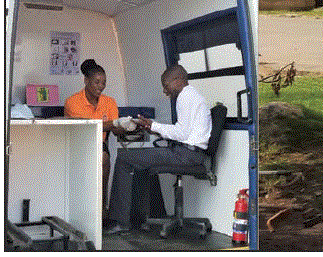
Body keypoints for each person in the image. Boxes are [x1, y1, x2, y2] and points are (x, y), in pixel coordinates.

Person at [104, 65, 212, 234]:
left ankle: (120, 222)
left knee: (125, 158)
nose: (164, 91)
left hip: (186, 154)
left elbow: (182, 133)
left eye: (166, 85)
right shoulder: (192, 95)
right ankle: (145, 217)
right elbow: (183, 131)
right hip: (190, 153)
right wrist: (153, 128)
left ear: (177, 80)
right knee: (139, 160)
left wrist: (154, 125)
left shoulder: (185, 97)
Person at [64, 59, 120, 210]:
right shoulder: (72, 102)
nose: (101, 86)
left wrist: (126, 126)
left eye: (104, 82)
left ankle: (102, 206)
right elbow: (86, 128)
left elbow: (115, 130)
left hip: (99, 144)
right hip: (79, 142)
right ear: (86, 80)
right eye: (97, 82)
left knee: (104, 157)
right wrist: (114, 123)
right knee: (102, 156)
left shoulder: (110, 102)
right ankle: (89, 207)